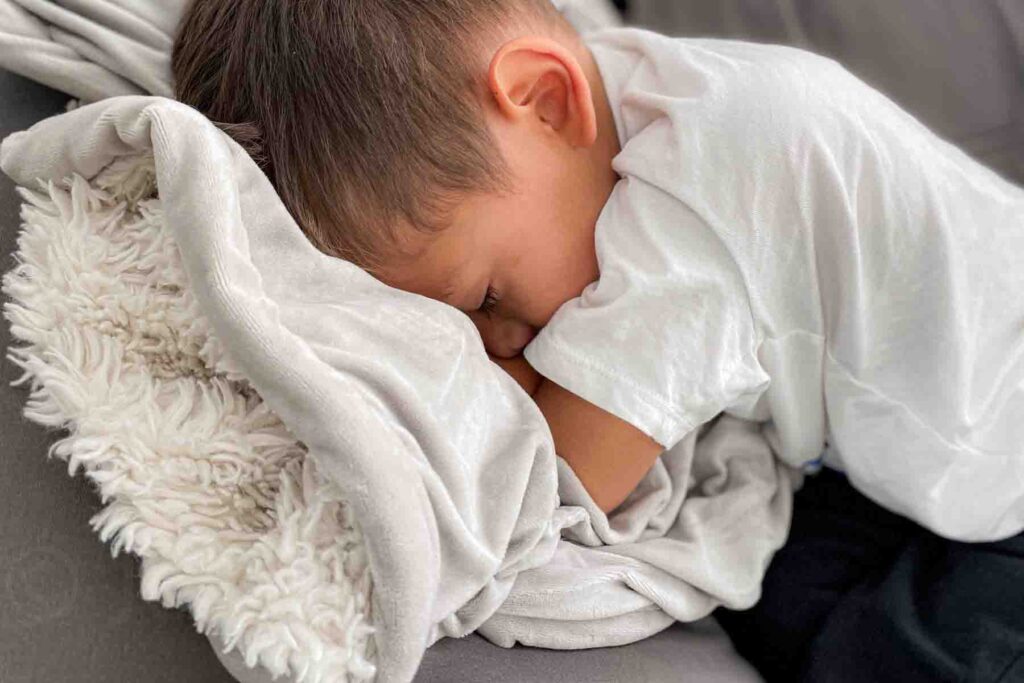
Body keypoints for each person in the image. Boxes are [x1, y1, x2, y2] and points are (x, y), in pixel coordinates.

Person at [171, 2, 1024, 680]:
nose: (495, 344)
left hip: (1010, 478)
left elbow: (569, 478)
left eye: (485, 298)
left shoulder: (703, 195)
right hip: (889, 459)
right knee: (779, 595)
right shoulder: (610, 108)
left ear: (545, 98)